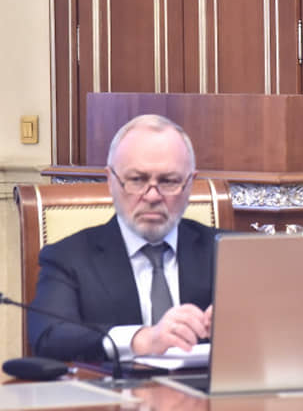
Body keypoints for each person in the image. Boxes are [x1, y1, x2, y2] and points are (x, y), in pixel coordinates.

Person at [28, 114, 218, 362]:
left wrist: (242, 324)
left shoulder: (227, 251)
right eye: (137, 180)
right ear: (111, 181)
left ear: (190, 183)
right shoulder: (68, 257)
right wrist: (141, 340)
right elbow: (48, 335)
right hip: (114, 386)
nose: (152, 196)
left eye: (168, 181)